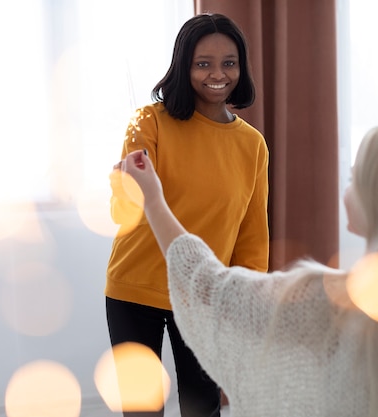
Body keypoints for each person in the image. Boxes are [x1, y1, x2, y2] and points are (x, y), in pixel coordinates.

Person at [115, 122, 378, 417]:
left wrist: (153, 200)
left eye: (354, 178)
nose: (346, 189)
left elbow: (210, 287)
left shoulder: (330, 304)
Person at [105, 13, 269, 417]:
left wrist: (248, 298)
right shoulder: (149, 122)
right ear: (184, 66)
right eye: (203, 63)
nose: (218, 74)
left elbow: (252, 233)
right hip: (134, 289)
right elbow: (122, 212)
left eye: (228, 63)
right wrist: (125, 184)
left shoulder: (252, 145)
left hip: (204, 296)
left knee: (203, 408)